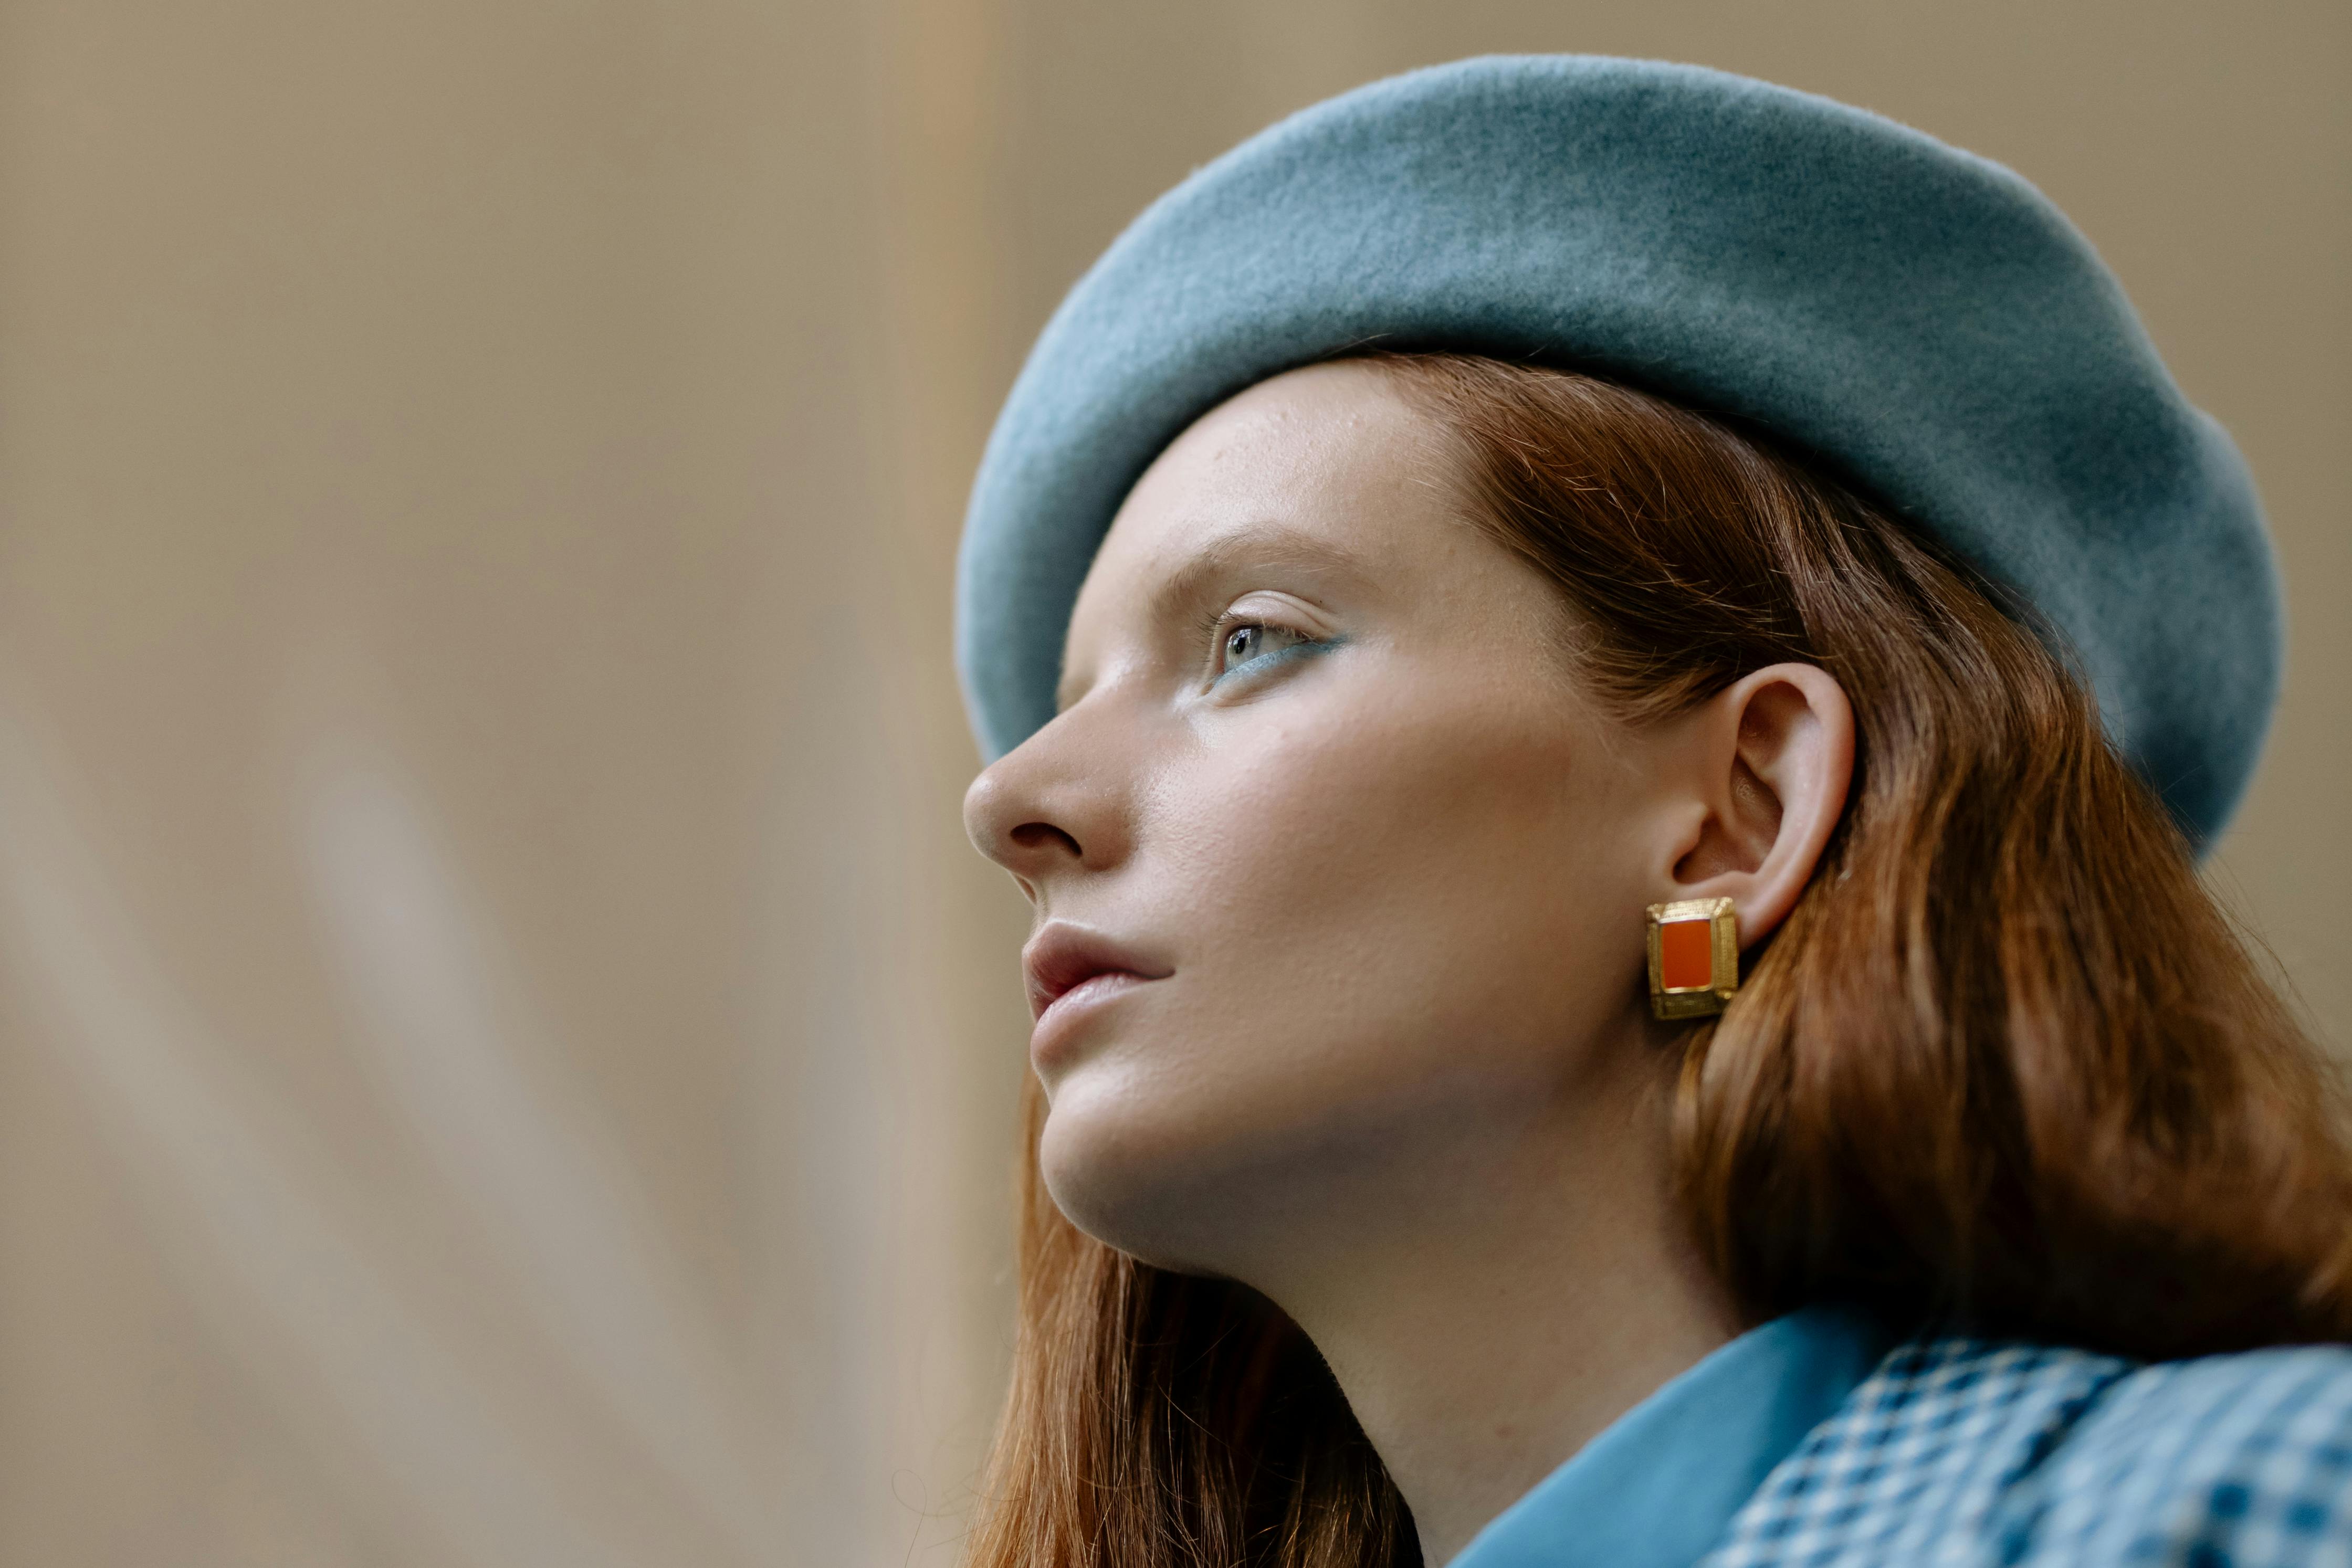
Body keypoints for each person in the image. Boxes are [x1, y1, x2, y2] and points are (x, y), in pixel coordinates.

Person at [951, 57, 2352, 1568]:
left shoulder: (2261, 1501)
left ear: (1738, 813)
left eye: (1250, 641)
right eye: (1063, 704)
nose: (1010, 799)